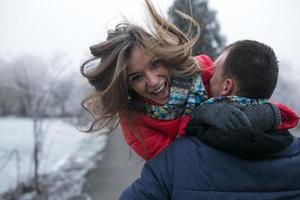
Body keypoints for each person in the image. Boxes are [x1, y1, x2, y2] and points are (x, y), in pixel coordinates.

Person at [80, 0, 298, 160]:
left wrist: (265, 114)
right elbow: (180, 163)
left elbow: (248, 100)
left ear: (165, 56)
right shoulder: (136, 123)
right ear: (125, 85)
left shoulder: (202, 69)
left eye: (155, 64)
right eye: (136, 77)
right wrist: (200, 117)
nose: (153, 81)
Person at [119, 40, 300, 200]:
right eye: (136, 77)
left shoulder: (174, 161)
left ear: (227, 86)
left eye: (213, 73)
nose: (206, 77)